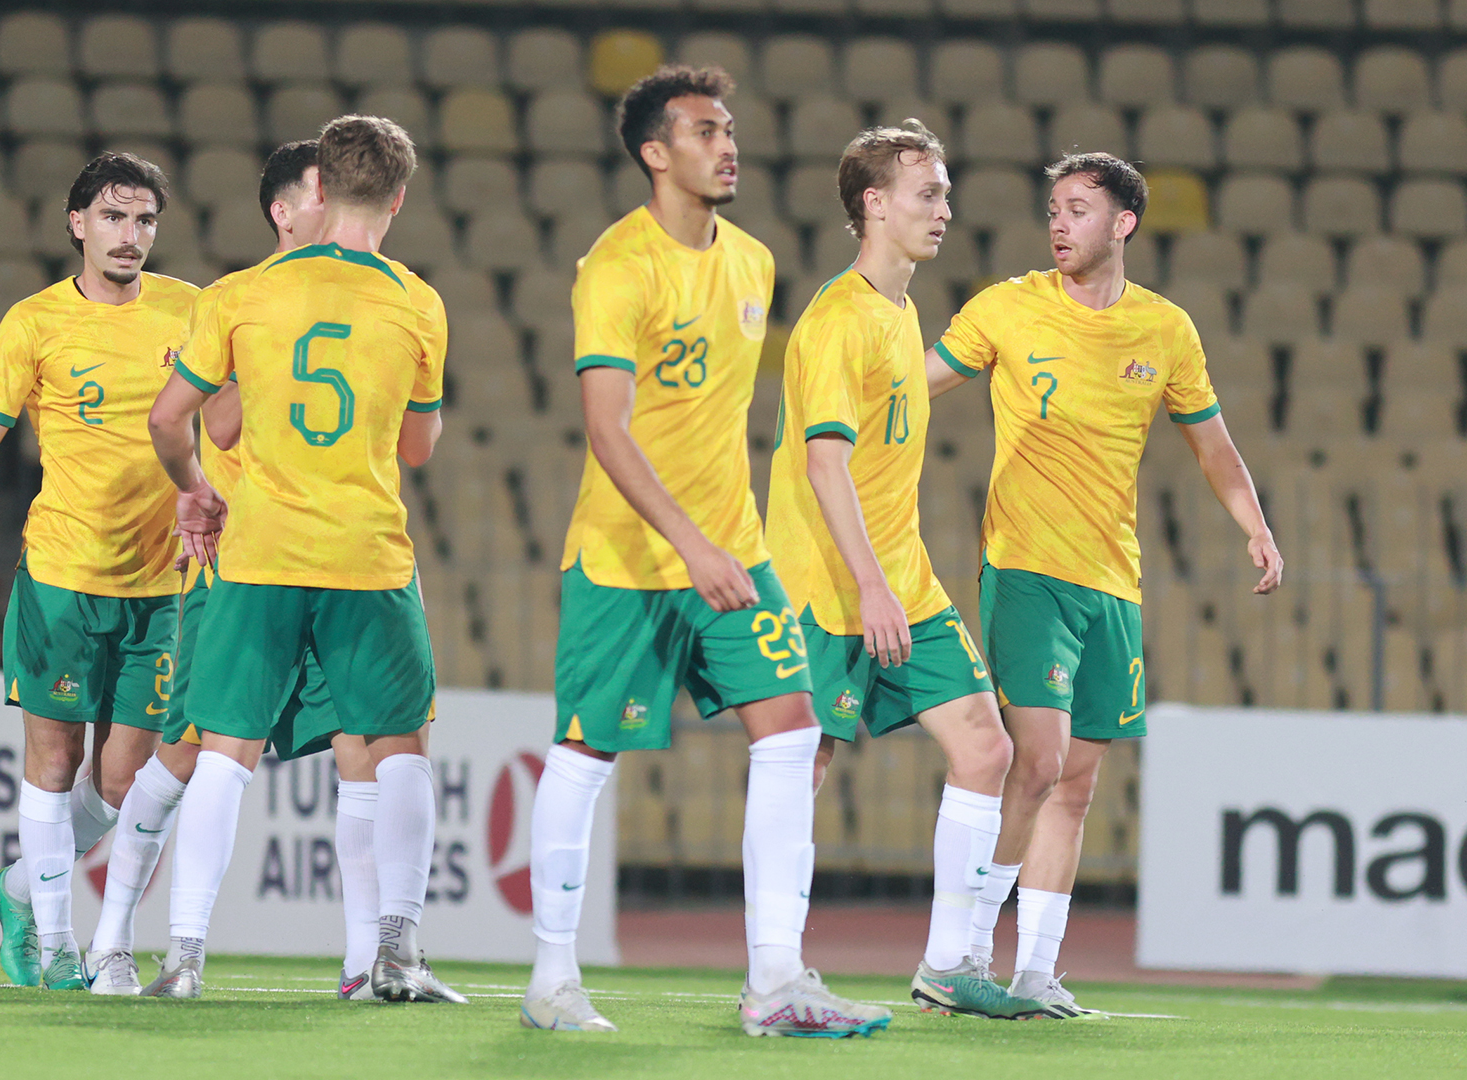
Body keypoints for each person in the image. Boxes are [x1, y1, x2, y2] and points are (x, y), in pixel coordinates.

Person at [518, 66, 890, 1039]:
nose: (727, 145)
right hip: (627, 559)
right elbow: (610, 430)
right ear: (655, 152)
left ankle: (774, 980)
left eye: (729, 128)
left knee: (793, 728)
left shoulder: (755, 263)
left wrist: (720, 543)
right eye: (703, 130)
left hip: (732, 552)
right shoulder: (615, 267)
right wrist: (687, 545)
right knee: (587, 750)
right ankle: (551, 980)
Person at [926, 152, 1284, 1014]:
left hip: (1112, 580)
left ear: (1122, 223)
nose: (1058, 223)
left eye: (1078, 210)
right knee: (1037, 760)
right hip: (1026, 568)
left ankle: (1036, 971)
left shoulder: (1165, 329)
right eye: (1053, 208)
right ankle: (962, 959)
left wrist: (1256, 525)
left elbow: (1213, 443)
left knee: (1078, 782)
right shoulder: (1006, 307)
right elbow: (917, 382)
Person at [142, 115, 459, 1005]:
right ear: (397, 197)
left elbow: (172, 418)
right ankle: (393, 953)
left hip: (260, 550)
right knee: (400, 750)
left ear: (318, 188)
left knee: (223, 754)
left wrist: (196, 488)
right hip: (368, 554)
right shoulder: (419, 302)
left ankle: (184, 958)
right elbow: (421, 447)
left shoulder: (242, 293)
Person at [89, 139, 408, 1001]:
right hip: (240, 563)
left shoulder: (369, 299)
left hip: (332, 559)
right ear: (285, 211)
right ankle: (113, 939)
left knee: (361, 757)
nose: (336, 209)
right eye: (320, 195)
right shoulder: (241, 302)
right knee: (182, 760)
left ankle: (360, 965)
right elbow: (217, 426)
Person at [764, 120, 1059, 1020]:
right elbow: (824, 465)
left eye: (945, 190)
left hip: (902, 575)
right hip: (827, 583)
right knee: (801, 766)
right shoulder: (834, 320)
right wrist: (867, 584)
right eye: (927, 192)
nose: (944, 207)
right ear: (873, 205)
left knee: (987, 746)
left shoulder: (902, 309)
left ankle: (945, 967)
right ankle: (772, 968)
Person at [0, 152, 198, 992]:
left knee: (123, 783)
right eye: (114, 218)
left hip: (164, 586)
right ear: (77, 223)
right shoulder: (34, 322)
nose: (131, 236)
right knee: (53, 764)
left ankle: (15, 886)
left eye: (145, 220)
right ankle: (54, 944)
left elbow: (226, 420)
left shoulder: (192, 310)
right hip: (62, 574)